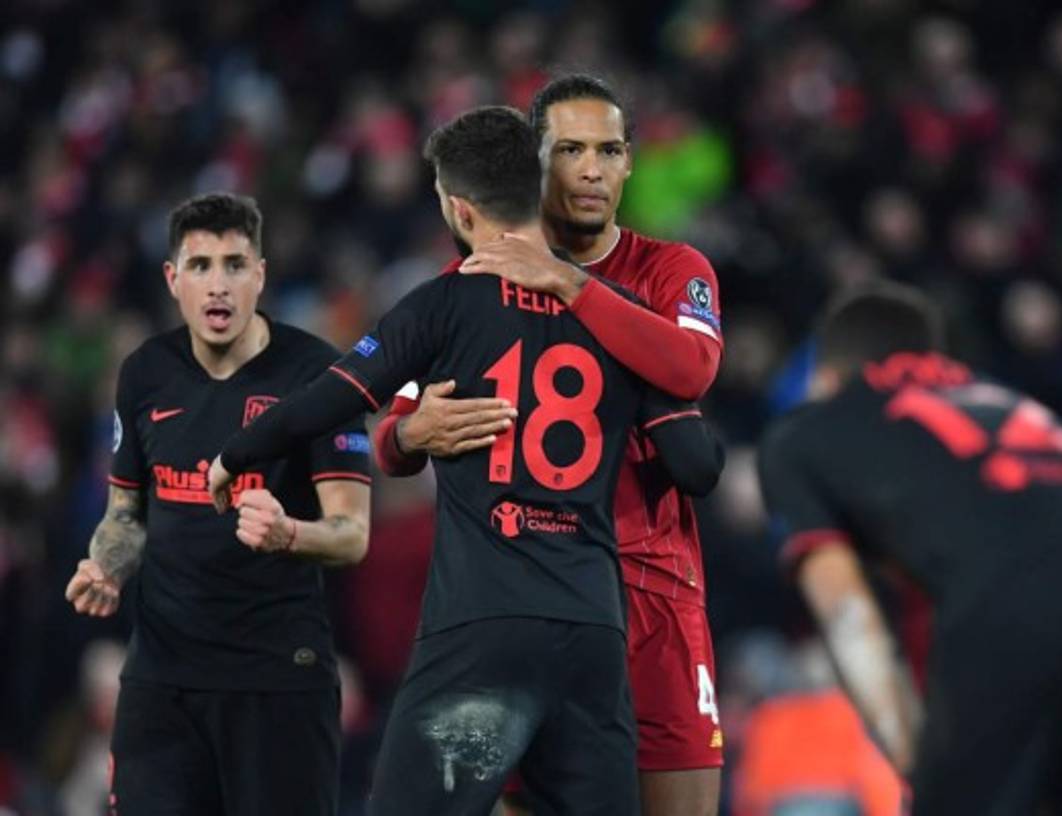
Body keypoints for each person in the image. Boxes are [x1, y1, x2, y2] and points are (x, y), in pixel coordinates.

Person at [208, 106, 723, 816]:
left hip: (483, 629)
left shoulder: (442, 305)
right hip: (593, 636)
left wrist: (239, 452)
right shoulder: (618, 313)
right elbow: (697, 464)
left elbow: (332, 398)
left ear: (457, 206)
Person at [375, 74, 727, 816]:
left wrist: (568, 285)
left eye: (608, 150)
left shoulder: (673, 271)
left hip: (654, 593)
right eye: (569, 150)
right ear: (535, 162)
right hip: (526, 593)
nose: (591, 169)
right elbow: (387, 431)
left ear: (631, 162)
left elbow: (691, 367)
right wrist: (409, 432)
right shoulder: (470, 281)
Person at [757, 282, 1062, 815]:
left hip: (1022, 593)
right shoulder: (998, 395)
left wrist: (918, 766)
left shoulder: (803, 433)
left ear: (825, 377)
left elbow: (848, 614)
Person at [63, 192, 372, 816]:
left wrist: (290, 533)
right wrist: (106, 566)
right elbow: (126, 516)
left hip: (277, 680)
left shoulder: (319, 376)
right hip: (162, 683)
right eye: (200, 266)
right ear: (172, 279)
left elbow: (351, 532)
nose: (218, 286)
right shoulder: (145, 373)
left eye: (235, 265)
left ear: (260, 274)